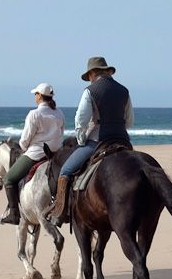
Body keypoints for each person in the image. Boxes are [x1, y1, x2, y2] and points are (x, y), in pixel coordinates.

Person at [48, 56, 134, 222]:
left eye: (89, 76)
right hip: (123, 140)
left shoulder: (90, 91)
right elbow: (129, 121)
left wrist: (81, 141)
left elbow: (80, 120)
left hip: (98, 140)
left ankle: (61, 213)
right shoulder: (124, 91)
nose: (89, 79)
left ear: (93, 73)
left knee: (65, 170)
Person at [0, 82, 65, 225]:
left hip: (37, 154)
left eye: (36, 94)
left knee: (9, 179)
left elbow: (24, 140)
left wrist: (24, 147)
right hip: (56, 154)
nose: (35, 96)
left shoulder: (34, 114)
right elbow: (61, 134)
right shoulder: (59, 113)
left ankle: (14, 214)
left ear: (40, 96)